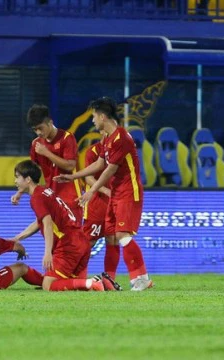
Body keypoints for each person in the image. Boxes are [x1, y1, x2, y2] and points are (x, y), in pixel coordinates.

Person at [54, 97, 153, 291]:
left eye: (93, 117)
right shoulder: (108, 138)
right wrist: (74, 177)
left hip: (128, 192)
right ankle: (133, 278)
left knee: (122, 235)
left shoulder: (121, 138)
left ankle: (141, 277)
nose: (92, 121)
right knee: (115, 236)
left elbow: (109, 170)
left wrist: (91, 191)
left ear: (102, 116)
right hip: (117, 193)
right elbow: (99, 165)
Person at [12, 160, 104, 292]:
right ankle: (102, 282)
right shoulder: (45, 191)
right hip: (81, 241)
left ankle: (92, 282)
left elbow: (48, 223)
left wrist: (48, 253)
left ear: (27, 180)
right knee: (77, 287)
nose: (15, 181)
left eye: (17, 177)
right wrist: (18, 238)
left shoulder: (36, 198)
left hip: (69, 245)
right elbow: (41, 221)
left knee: (48, 285)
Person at [11, 104, 82, 223]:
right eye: (35, 129)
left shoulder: (67, 138)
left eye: (40, 128)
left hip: (71, 198)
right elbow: (32, 174)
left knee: (73, 236)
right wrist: (20, 192)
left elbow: (70, 165)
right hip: (50, 197)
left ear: (50, 122)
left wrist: (47, 153)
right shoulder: (36, 144)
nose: (38, 132)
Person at [82, 131, 122, 290]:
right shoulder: (92, 152)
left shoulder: (119, 152)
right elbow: (88, 178)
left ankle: (109, 279)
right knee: (88, 242)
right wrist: (106, 191)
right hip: (96, 204)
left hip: (115, 204)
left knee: (113, 240)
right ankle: (78, 276)